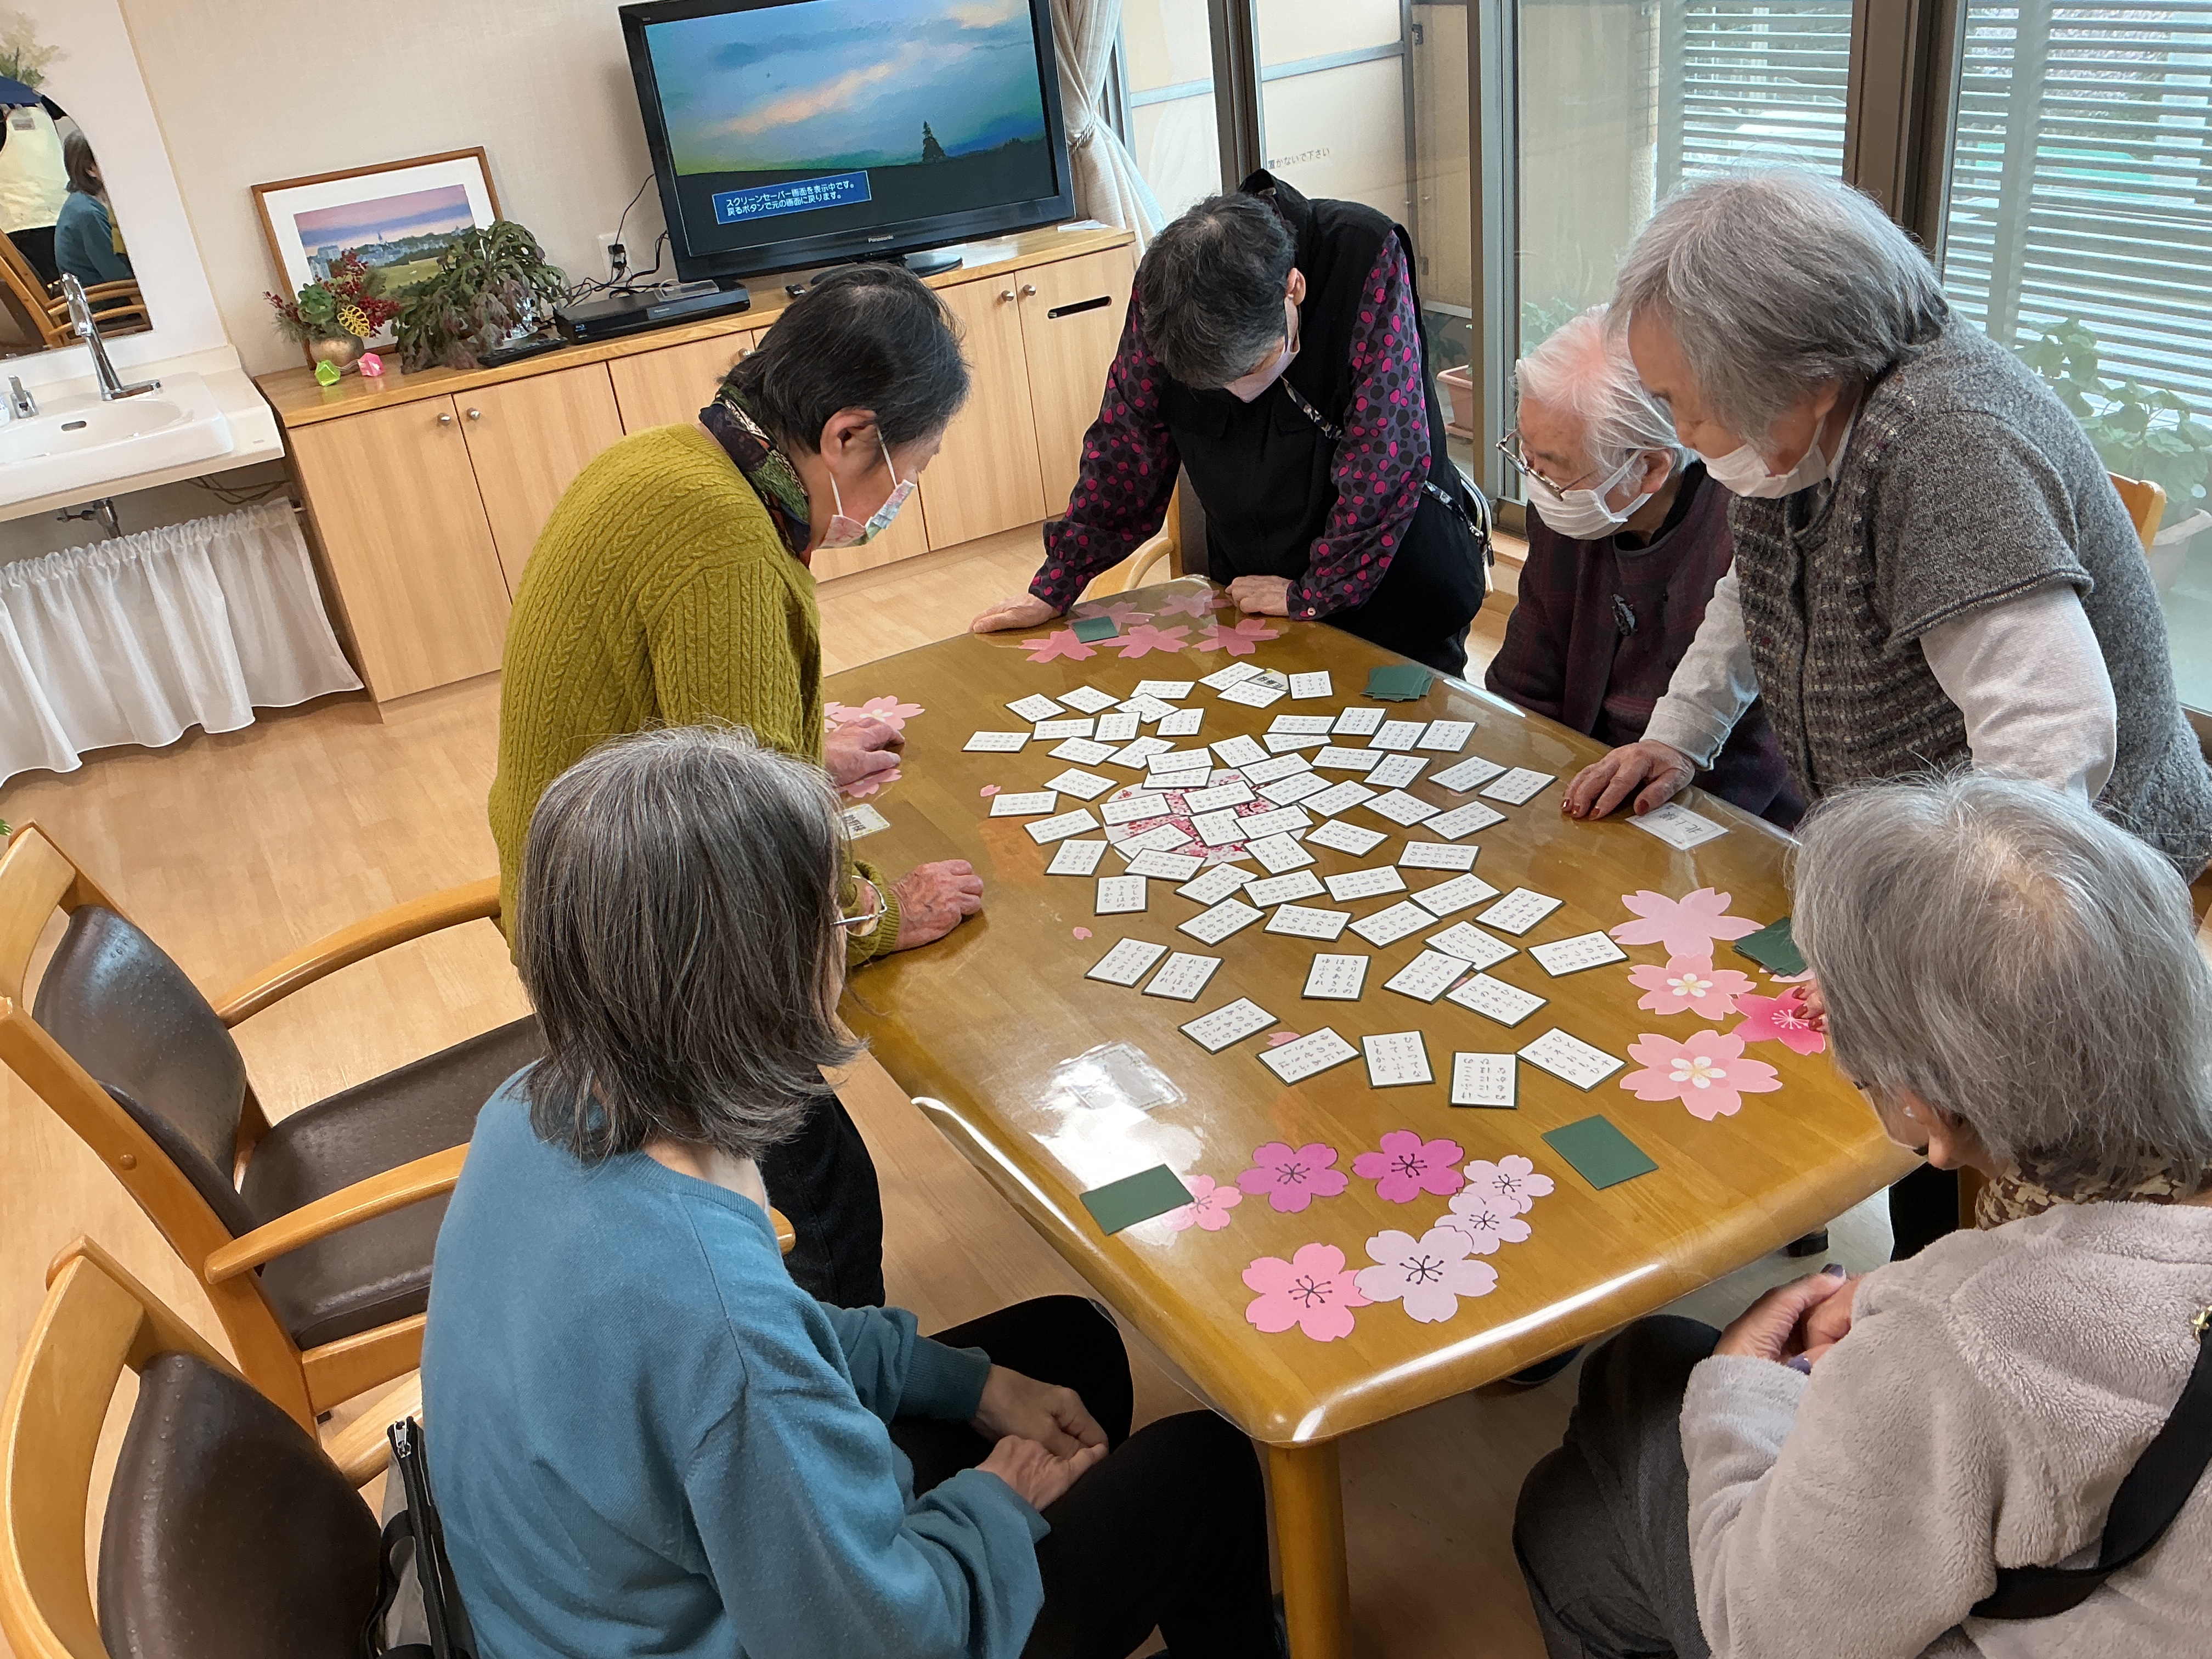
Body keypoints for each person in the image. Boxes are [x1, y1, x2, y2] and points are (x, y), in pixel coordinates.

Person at [426, 727, 1278, 1659]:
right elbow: (886, 1639)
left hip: (579, 1602)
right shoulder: (723, 1332)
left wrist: (974, 1383)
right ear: (764, 977)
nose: (845, 942)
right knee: (1208, 1468)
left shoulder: (531, 1108)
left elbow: (774, 1339)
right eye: (837, 922)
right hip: (784, 1634)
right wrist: (998, 1499)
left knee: (1072, 1342)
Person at [1513, 774, 2212, 1658]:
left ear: (1928, 1111)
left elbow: (1769, 1631)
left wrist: (1738, 1378)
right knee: (1634, 1384)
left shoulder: (1955, 1336)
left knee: (1585, 1475)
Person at [487, 263, 986, 1307]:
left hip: (573, 883)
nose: (904, 497)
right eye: (914, 467)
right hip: (631, 958)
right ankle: (825, 1386)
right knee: (829, 1193)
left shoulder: (666, 461)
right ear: (849, 436)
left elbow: (680, 721)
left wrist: (804, 746)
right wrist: (886, 912)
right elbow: (759, 859)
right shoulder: (729, 548)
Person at [1562, 168, 2212, 881]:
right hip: (1917, 838)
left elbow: (2051, 734)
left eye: (1685, 404)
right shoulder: (1795, 423)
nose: (1683, 433)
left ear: (1812, 382)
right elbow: (1757, 589)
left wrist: (1970, 914)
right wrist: (1679, 737)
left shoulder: (1948, 446)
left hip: (2078, 865)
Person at [968, 172, 1490, 674]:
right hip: (1254, 589)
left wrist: (1316, 590)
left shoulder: (1363, 253)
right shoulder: (1165, 289)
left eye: (1251, 367)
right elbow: (1126, 445)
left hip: (1393, 578)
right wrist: (1057, 582)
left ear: (1294, 289)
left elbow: (1385, 456)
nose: (1239, 390)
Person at [1487, 307, 1799, 827]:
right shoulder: (1567, 505)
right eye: (1525, 451)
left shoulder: (1748, 529)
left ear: (1651, 467)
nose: (1533, 477)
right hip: (1581, 778)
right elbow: (1525, 679)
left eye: (1553, 465)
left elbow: (1745, 753)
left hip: (1707, 804)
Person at [52, 131, 131, 287]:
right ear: (91, 169)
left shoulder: (88, 202)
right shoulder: (87, 214)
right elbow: (118, 277)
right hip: (109, 298)